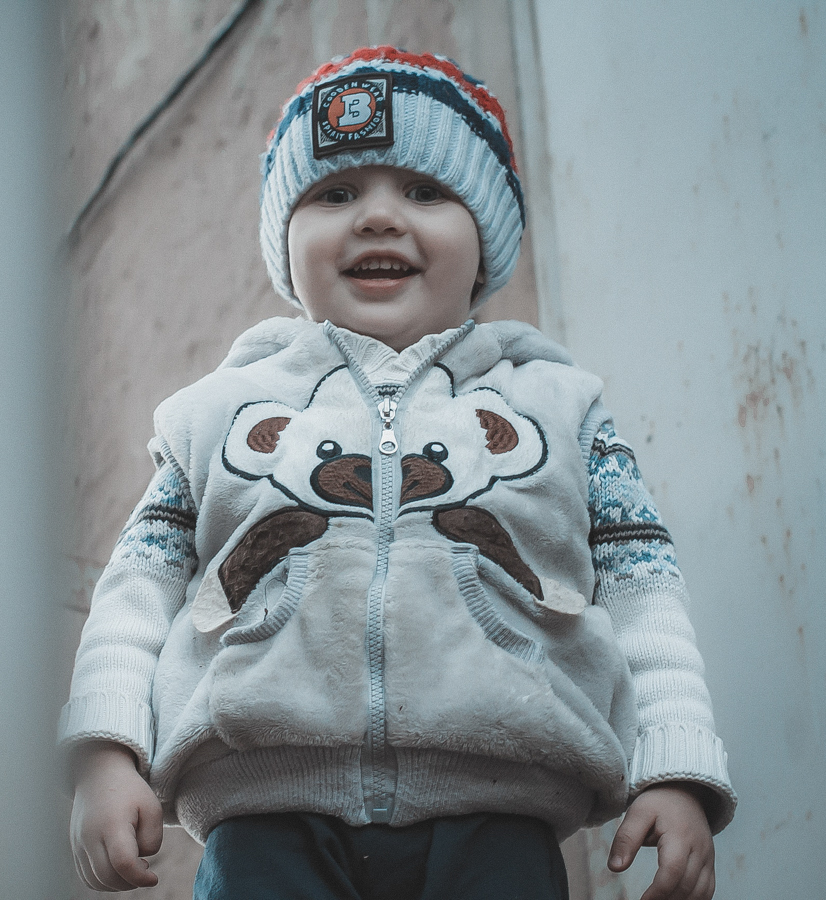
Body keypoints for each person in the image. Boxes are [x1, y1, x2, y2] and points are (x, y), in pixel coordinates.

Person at [61, 47, 736, 900]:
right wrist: (105, 751)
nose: (378, 217)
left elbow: (645, 590)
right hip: (265, 820)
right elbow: (136, 590)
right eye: (335, 193)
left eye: (424, 191)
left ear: (486, 239)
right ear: (286, 242)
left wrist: (674, 768)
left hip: (501, 819)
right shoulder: (214, 414)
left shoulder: (564, 412)